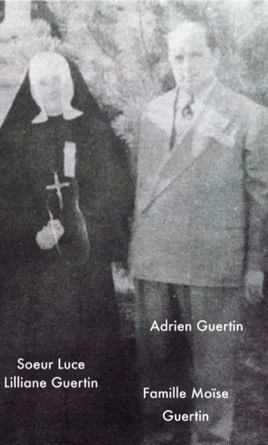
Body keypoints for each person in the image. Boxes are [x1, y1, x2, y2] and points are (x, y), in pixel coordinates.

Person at [0, 52, 136, 445]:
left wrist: (80, 225)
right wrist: (33, 234)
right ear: (32, 88)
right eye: (43, 81)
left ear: (70, 83)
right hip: (32, 266)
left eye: (57, 79)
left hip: (84, 263)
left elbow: (114, 194)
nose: (51, 88)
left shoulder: (96, 132)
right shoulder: (15, 136)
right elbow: (4, 199)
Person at [130, 21, 268, 445]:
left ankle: (210, 438)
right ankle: (165, 434)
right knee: (157, 361)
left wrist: (255, 264)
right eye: (178, 57)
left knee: (212, 367)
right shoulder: (152, 112)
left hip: (213, 260)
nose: (187, 66)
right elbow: (142, 188)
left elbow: (260, 198)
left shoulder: (249, 115)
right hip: (156, 259)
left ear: (216, 56)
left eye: (196, 55)